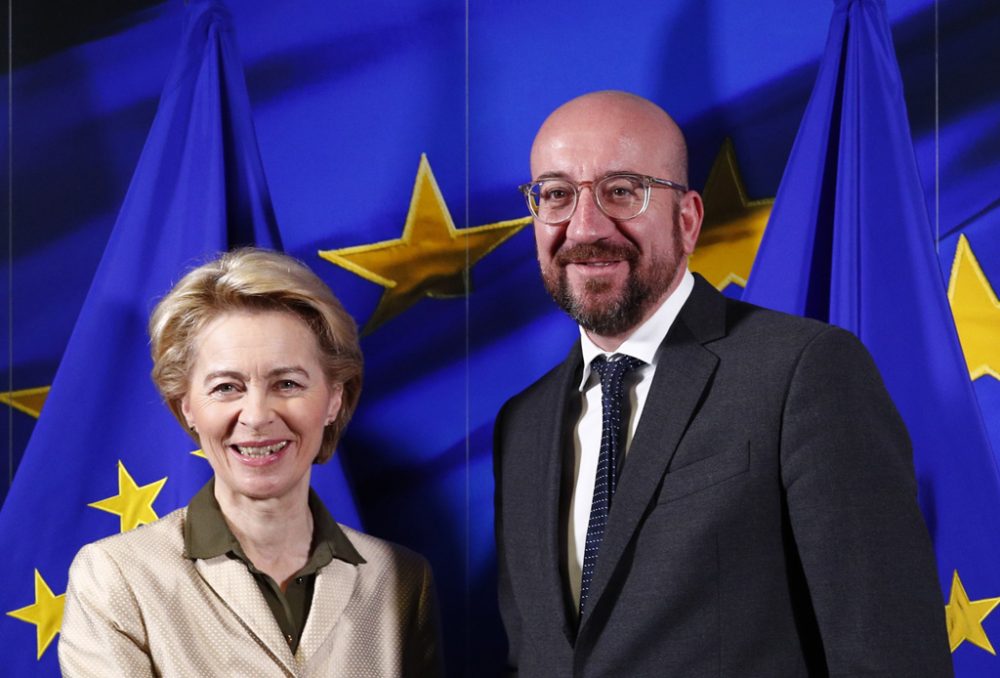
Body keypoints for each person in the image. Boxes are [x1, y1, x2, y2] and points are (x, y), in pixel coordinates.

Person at [493, 91, 952, 676]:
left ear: (687, 220)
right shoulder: (522, 425)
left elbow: (889, 656)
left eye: (621, 191)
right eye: (556, 195)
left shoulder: (803, 371)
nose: (585, 227)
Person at [60, 248, 443, 677]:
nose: (258, 416)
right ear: (185, 405)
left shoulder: (402, 580)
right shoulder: (116, 579)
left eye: (287, 383)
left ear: (335, 397)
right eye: (226, 387)